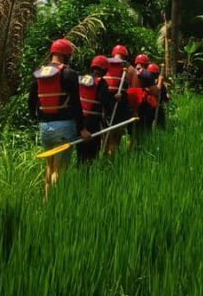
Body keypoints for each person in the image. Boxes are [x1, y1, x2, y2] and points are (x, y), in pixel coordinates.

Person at [29, 39, 90, 197]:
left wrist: (38, 119)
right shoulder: (69, 74)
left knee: (49, 167)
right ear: (66, 56)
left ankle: (45, 201)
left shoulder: (38, 73)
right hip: (64, 127)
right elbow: (76, 103)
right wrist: (82, 128)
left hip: (44, 128)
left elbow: (31, 102)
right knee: (60, 171)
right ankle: (54, 205)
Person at [77, 55, 112, 164]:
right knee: (92, 155)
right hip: (93, 122)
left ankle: (80, 175)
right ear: (105, 70)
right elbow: (106, 102)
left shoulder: (81, 79)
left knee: (81, 155)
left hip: (80, 122)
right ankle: (89, 178)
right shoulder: (102, 83)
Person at [103, 44, 135, 156]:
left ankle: (104, 160)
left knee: (105, 137)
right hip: (120, 106)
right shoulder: (129, 69)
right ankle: (111, 162)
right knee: (116, 139)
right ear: (125, 56)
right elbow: (134, 91)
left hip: (104, 106)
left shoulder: (104, 65)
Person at [148, 63, 170, 130]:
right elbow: (165, 98)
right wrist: (167, 97)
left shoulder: (145, 81)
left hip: (148, 108)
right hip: (156, 107)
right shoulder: (159, 84)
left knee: (148, 128)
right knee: (161, 128)